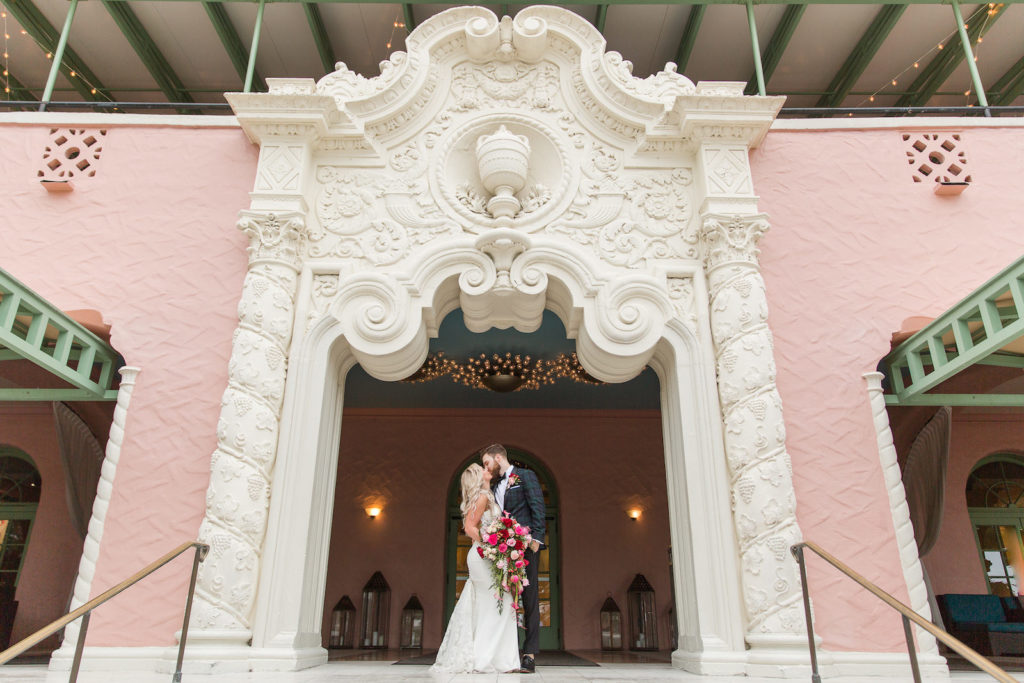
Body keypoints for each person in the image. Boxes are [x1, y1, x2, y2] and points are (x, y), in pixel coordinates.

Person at [431, 463, 520, 674]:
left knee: (496, 604)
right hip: (483, 557)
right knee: (498, 603)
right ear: (478, 477)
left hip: (488, 555)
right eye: (482, 468)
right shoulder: (481, 497)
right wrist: (494, 545)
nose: (486, 468)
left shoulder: (486, 495)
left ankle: (500, 659)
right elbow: (469, 527)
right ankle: (484, 658)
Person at [481, 443, 545, 674]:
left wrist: (537, 538)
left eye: (488, 462)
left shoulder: (525, 476)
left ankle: (528, 655)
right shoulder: (496, 484)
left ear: (499, 457)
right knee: (504, 598)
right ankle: (507, 653)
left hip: (526, 546)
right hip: (501, 549)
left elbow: (537, 506)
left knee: (529, 598)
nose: (486, 467)